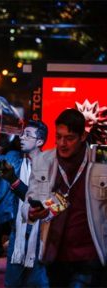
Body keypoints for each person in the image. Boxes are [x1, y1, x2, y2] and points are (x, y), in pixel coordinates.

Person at [23, 108, 107, 287]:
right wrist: (32, 212)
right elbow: (30, 197)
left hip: (91, 253)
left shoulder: (101, 162)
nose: (62, 143)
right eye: (58, 136)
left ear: (82, 136)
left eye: (69, 138)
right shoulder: (43, 160)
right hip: (55, 254)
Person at [0, 117, 49, 287]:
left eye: (28, 135)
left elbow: (40, 200)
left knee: (37, 281)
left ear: (40, 141)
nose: (22, 138)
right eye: (22, 134)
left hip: (40, 232)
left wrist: (14, 181)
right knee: (12, 282)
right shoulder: (14, 159)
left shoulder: (50, 165)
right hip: (17, 229)